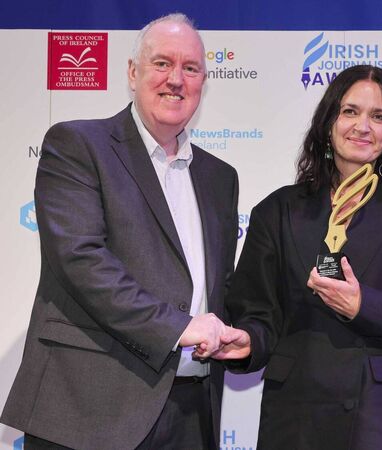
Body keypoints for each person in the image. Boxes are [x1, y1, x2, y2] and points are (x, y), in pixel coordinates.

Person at [0, 13, 238, 450]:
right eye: (162, 63)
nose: (176, 80)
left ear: (204, 82)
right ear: (132, 72)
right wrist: (180, 327)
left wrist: (247, 335)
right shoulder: (77, 146)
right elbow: (82, 261)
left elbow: (219, 287)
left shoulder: (221, 177)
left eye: (190, 68)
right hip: (89, 409)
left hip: (190, 412)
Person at [209, 65, 382, 450]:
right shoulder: (278, 210)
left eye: (378, 116)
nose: (363, 126)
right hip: (294, 412)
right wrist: (248, 341)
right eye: (350, 111)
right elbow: (256, 310)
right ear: (328, 123)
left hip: (376, 414)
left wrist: (363, 304)